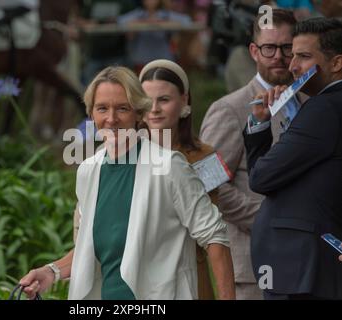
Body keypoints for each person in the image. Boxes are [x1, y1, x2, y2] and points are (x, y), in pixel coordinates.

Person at [20, 65, 235, 300]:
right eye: (102, 108)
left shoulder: (170, 166)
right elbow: (90, 249)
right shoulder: (88, 171)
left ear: (138, 113)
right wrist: (51, 272)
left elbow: (215, 236)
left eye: (122, 108)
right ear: (91, 113)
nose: (111, 119)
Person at [200, 9, 300, 300]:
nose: (279, 56)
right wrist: (266, 219)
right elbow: (207, 183)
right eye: (269, 48)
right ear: (254, 51)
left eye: (287, 47)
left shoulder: (312, 102)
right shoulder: (230, 109)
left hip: (306, 262)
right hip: (252, 265)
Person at [243, 17, 342, 299]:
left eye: (303, 56)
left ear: (336, 63)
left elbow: (262, 178)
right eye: (293, 55)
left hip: (303, 269)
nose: (292, 66)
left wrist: (259, 127)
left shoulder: (322, 109)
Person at [138, 59, 221, 299]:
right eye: (146, 100)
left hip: (189, 273)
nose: (153, 108)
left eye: (164, 99)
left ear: (184, 101)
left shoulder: (207, 155)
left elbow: (211, 223)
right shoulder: (124, 154)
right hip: (137, 273)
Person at [117, 0, 193, 73]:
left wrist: (162, 23)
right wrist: (146, 23)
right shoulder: (137, 14)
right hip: (140, 63)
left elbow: (186, 21)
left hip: (164, 62)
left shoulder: (165, 14)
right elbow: (120, 22)